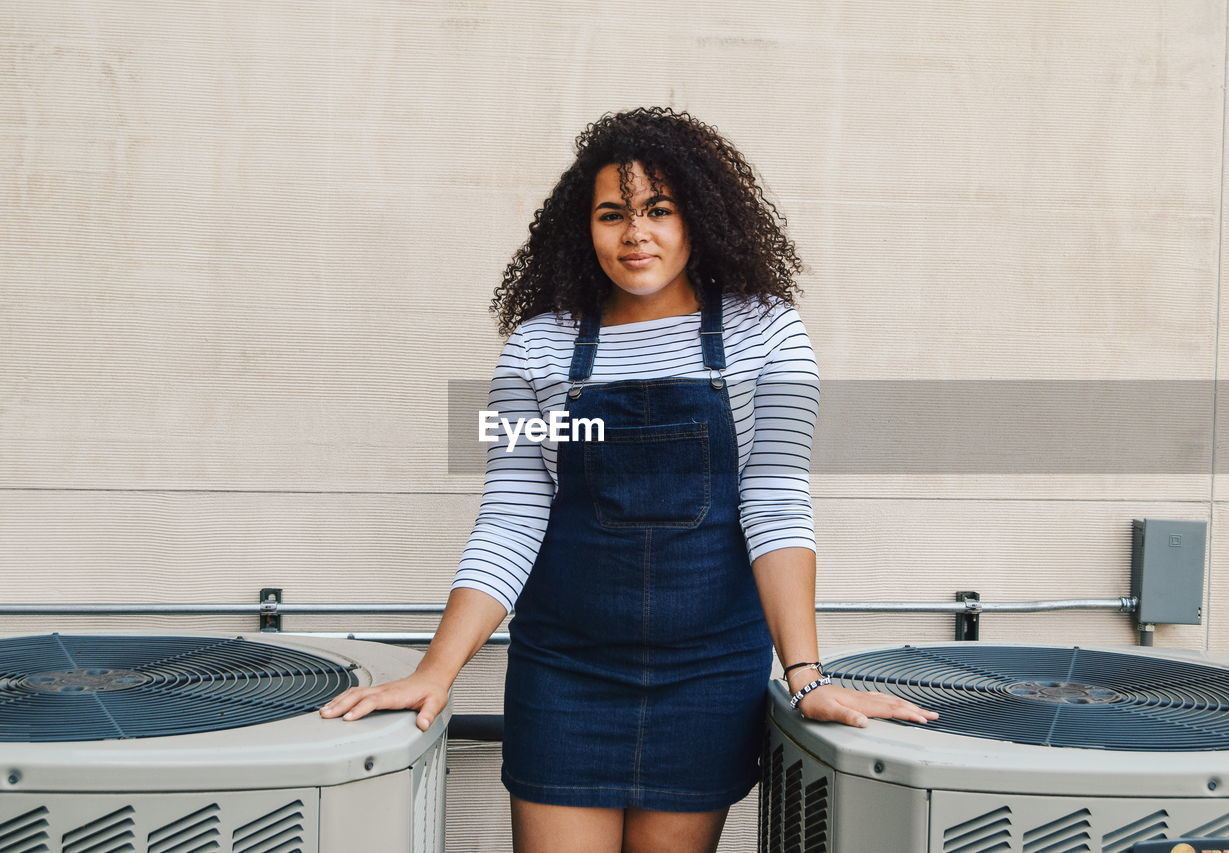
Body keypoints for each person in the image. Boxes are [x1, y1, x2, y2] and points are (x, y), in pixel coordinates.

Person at [320, 107, 937, 853]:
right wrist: (435, 670)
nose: (634, 232)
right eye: (612, 214)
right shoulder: (535, 348)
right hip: (565, 670)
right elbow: (511, 517)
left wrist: (805, 674)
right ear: (583, 228)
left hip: (709, 672)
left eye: (658, 210)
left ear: (699, 219)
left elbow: (776, 503)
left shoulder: (767, 331)